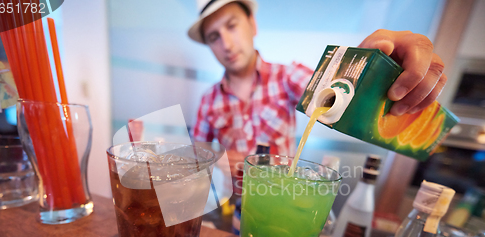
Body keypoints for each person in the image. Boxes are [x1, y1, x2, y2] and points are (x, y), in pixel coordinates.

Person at [188, 0, 446, 175]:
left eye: (232, 26)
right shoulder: (209, 99)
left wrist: (380, 76)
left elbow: (340, 99)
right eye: (214, 37)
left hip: (274, 199)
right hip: (227, 206)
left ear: (252, 24)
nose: (227, 44)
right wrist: (216, 160)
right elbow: (196, 155)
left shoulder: (286, 76)